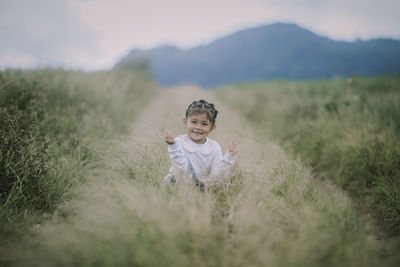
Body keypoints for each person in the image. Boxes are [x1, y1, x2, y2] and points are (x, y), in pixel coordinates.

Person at [164, 99, 237, 187]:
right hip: (177, 183)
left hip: (203, 187)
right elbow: (180, 168)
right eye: (194, 122)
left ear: (212, 128)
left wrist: (229, 157)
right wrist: (173, 146)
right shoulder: (179, 142)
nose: (198, 127)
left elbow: (217, 174)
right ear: (185, 122)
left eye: (204, 124)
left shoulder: (214, 147)